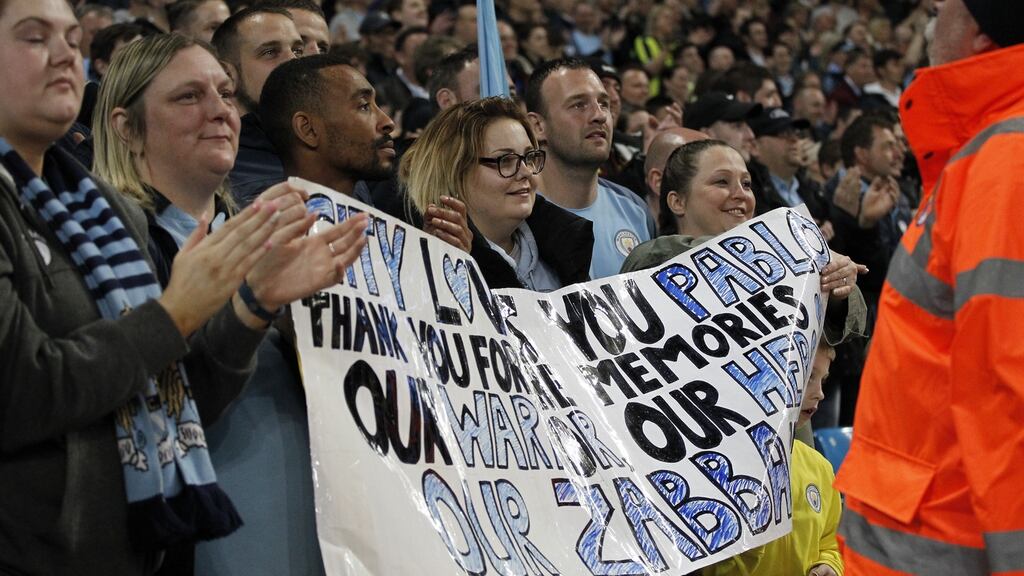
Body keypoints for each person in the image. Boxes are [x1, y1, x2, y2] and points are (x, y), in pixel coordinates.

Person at [0, 1, 360, 573]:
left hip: (155, 545)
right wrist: (175, 315)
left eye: (71, 37)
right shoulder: (121, 226)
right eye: (34, 35)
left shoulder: (93, 215)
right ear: (125, 124)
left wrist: (254, 303)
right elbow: (24, 390)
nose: (219, 111)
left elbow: (176, 404)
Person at [92, 34, 367, 576]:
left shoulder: (278, 241)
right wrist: (253, 302)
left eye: (225, 93)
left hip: (317, 532)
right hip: (197, 546)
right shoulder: (109, 251)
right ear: (127, 127)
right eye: (189, 97)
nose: (220, 111)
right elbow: (145, 404)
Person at [834, 2, 1024, 573]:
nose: (927, 24)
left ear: (981, 40)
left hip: (944, 537)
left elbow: (1008, 384)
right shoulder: (990, 154)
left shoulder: (1007, 161)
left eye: (941, 11)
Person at [621, 140, 866, 348]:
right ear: (677, 202)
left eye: (746, 184)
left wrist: (835, 288)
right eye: (721, 182)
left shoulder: (776, 254)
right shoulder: (651, 259)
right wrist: (794, 251)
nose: (741, 194)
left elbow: (854, 325)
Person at [402, 97, 594, 290]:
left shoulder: (566, 247)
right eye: (505, 160)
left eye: (529, 157)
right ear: (453, 173)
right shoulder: (424, 272)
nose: (526, 172)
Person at [702, 340, 844, 576]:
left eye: (824, 380)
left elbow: (831, 542)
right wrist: (754, 542)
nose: (820, 393)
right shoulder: (722, 468)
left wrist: (830, 565)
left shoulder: (820, 467)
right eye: (808, 377)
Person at [525, 57, 654, 279]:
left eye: (604, 104)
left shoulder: (635, 210)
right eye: (578, 105)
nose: (600, 116)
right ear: (538, 126)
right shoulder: (517, 214)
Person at [213, 6, 304, 205]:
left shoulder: (335, 154)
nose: (293, 61)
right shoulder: (213, 174)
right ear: (227, 75)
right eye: (270, 52)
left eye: (298, 50)